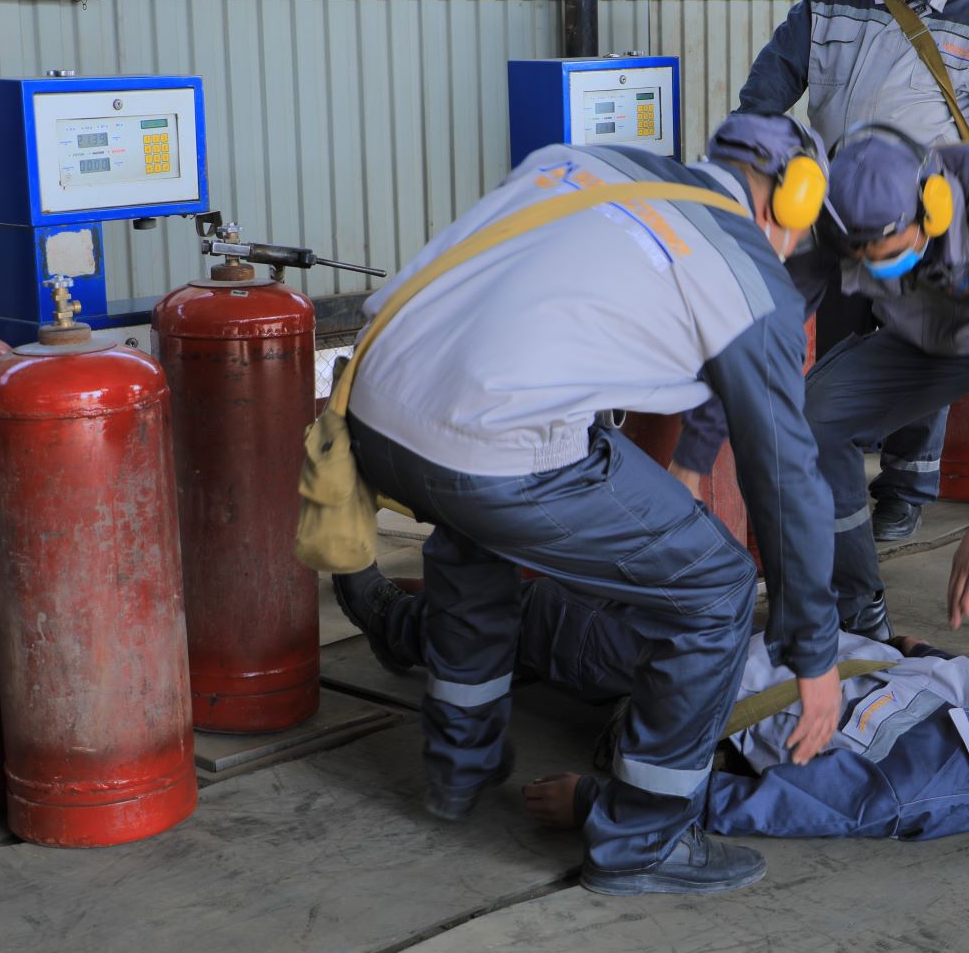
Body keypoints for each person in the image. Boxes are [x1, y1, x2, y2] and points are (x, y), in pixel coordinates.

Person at [338, 115, 845, 896]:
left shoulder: (582, 163)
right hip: (489, 446)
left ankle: (458, 769)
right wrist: (813, 654)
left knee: (475, 532)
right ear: (796, 199)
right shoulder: (749, 277)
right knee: (714, 588)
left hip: (373, 411)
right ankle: (643, 844)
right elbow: (785, 478)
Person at [683, 125, 969, 717]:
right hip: (937, 336)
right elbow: (760, 328)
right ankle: (856, 614)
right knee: (814, 417)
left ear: (933, 206)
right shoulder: (834, 220)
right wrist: (692, 458)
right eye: (867, 259)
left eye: (892, 248)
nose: (881, 265)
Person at [330, 563, 969, 842]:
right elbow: (922, 663)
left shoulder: (912, 789)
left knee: (557, 622)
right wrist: (904, 649)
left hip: (701, 686)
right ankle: (468, 621)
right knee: (620, 567)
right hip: (761, 641)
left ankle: (399, 628)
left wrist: (604, 805)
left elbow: (762, 807)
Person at [732, 0, 969, 543]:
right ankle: (838, 475)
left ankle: (906, 486)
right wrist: (754, 156)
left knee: (919, 346)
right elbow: (768, 88)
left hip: (929, 218)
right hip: (841, 208)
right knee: (842, 347)